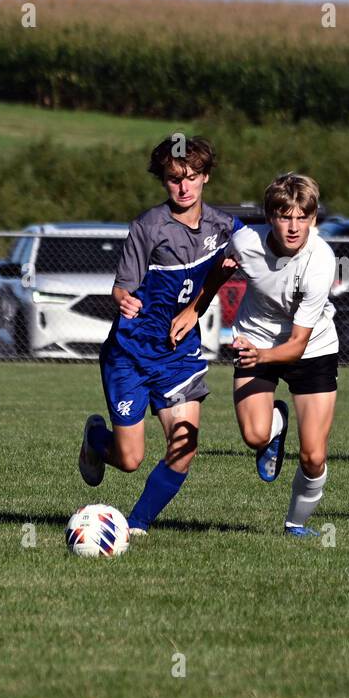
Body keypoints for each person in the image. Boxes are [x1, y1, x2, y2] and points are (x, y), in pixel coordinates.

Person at [77, 135, 242, 535]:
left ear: (206, 177)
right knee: (130, 459)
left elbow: (240, 261)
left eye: (191, 177)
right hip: (131, 355)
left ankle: (135, 526)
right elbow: (122, 286)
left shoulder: (224, 226)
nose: (183, 187)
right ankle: (97, 438)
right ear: (163, 180)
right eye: (173, 179)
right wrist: (123, 300)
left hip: (178, 355)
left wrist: (195, 309)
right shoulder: (148, 228)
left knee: (184, 449)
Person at [172, 174, 339, 536]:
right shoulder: (246, 241)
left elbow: (297, 345)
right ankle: (274, 426)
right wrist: (193, 310)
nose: (293, 227)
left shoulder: (321, 262)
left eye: (301, 217)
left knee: (313, 457)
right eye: (284, 216)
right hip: (256, 338)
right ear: (269, 216)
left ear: (313, 219)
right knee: (254, 436)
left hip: (312, 349)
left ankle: (295, 523)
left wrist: (261, 357)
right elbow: (220, 268)